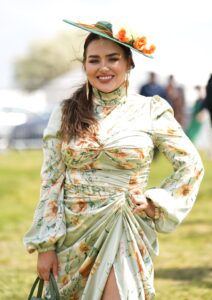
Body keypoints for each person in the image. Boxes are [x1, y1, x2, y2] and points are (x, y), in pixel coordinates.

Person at [24, 20, 204, 300]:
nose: (103, 67)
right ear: (85, 65)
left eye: (113, 59)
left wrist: (156, 201)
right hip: (73, 236)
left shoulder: (150, 110)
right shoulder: (65, 112)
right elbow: (51, 180)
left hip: (124, 225)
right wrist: (46, 244)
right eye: (94, 60)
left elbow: (191, 164)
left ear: (129, 63)